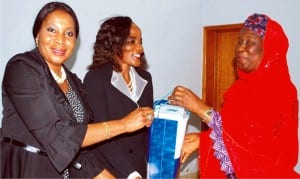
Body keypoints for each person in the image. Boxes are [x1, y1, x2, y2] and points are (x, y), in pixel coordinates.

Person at [0, 2, 153, 179]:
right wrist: (124, 125)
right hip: (27, 170)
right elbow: (60, 136)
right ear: (37, 35)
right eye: (52, 30)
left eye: (69, 33)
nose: (60, 39)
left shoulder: (72, 81)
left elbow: (81, 149)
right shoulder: (22, 69)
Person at [168, 13, 299, 178]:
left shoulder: (280, 91)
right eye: (240, 42)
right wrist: (201, 139)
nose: (241, 48)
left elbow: (254, 147)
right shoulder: (239, 89)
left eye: (250, 42)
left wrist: (200, 108)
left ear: (269, 48)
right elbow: (233, 131)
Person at [83, 16, 153, 179]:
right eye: (132, 41)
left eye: (140, 41)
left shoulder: (146, 78)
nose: (140, 48)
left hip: (140, 170)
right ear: (114, 44)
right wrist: (131, 174)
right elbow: (101, 136)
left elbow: (146, 133)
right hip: (109, 170)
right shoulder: (95, 79)